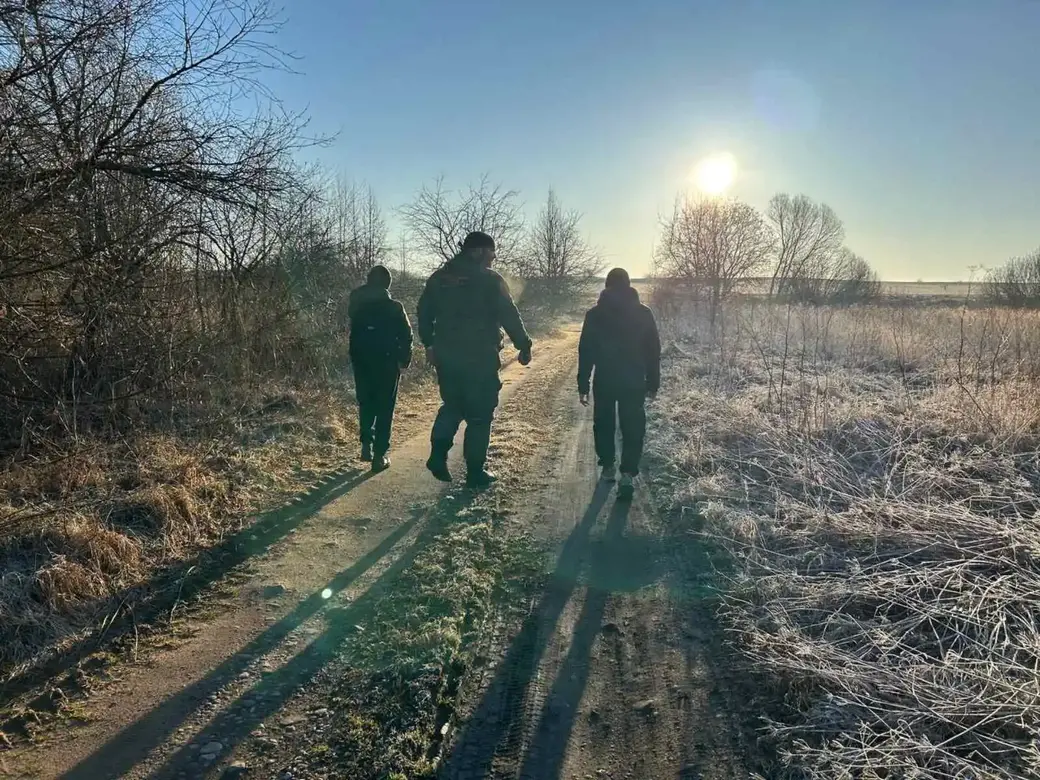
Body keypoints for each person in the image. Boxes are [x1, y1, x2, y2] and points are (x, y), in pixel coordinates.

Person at [417, 230, 533, 488]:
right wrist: (523, 345)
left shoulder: (439, 279)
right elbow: (509, 315)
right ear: (479, 251)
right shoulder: (490, 280)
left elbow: (423, 313)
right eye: (491, 252)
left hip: (447, 355)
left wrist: (429, 343)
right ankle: (475, 472)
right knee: (481, 414)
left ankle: (437, 455)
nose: (493, 258)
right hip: (480, 356)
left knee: (453, 405)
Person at [577, 268, 661, 500]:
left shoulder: (594, 314)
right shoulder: (643, 313)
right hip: (634, 380)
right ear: (629, 285)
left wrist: (583, 384)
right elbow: (653, 350)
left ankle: (607, 468)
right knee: (633, 427)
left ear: (607, 286)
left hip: (605, 379)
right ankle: (628, 475)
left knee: (603, 424)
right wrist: (653, 382)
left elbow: (586, 351)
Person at [348, 264, 413, 472]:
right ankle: (379, 456)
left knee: (366, 401)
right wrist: (404, 359)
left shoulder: (356, 303)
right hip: (386, 361)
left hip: (361, 359)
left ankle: (366, 443)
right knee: (385, 407)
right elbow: (407, 335)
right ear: (387, 284)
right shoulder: (394, 307)